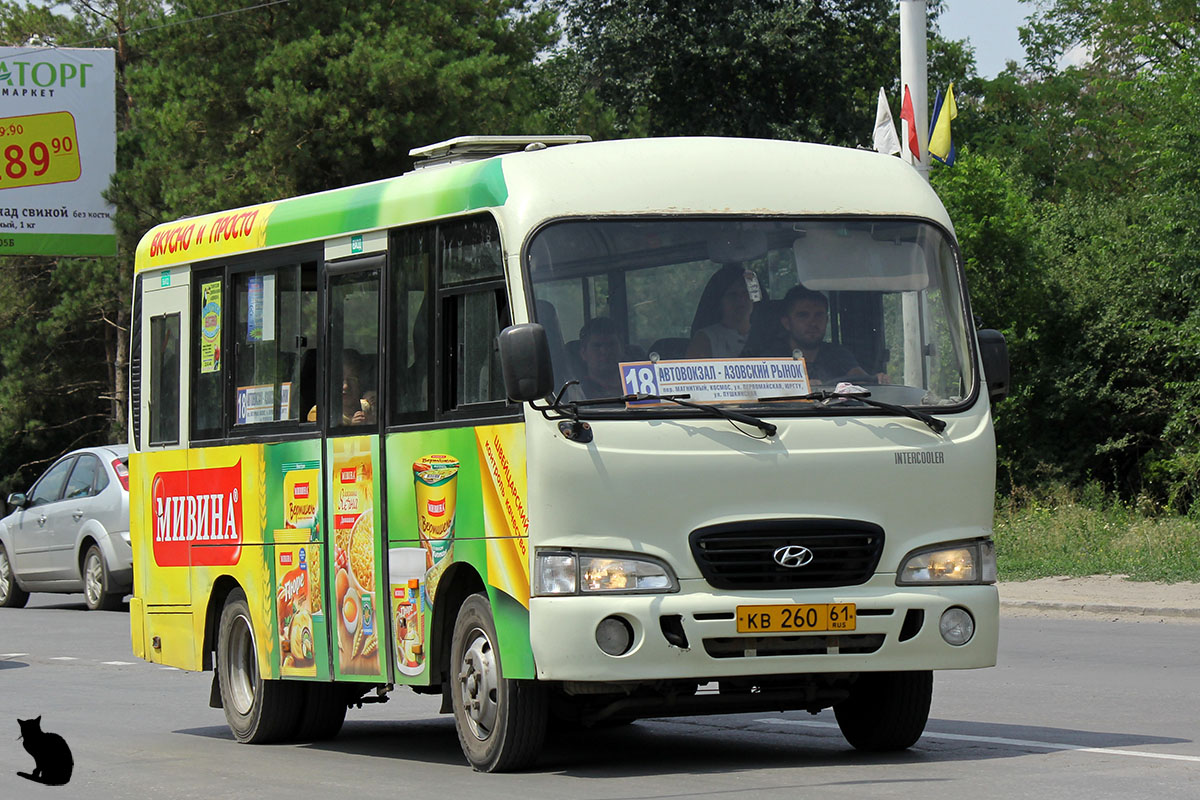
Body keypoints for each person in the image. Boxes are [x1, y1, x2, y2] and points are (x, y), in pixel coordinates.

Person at [777, 286, 887, 385]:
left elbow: (862, 380)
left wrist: (877, 380)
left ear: (827, 320)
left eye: (819, 315)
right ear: (786, 323)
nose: (813, 323)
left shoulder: (837, 354)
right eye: (803, 315)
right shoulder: (772, 357)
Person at [686, 266, 754, 358]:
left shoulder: (768, 334)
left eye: (745, 293)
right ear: (719, 301)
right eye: (732, 295)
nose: (741, 299)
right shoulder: (705, 340)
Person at [308, 351, 376, 424]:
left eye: (352, 380)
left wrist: (376, 405)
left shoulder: (366, 407)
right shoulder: (320, 413)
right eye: (339, 380)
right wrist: (354, 429)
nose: (345, 386)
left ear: (361, 384)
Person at [577, 317, 625, 398]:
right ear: (583, 353)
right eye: (597, 346)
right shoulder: (578, 394)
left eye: (611, 344)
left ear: (622, 350)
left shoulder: (638, 388)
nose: (605, 351)